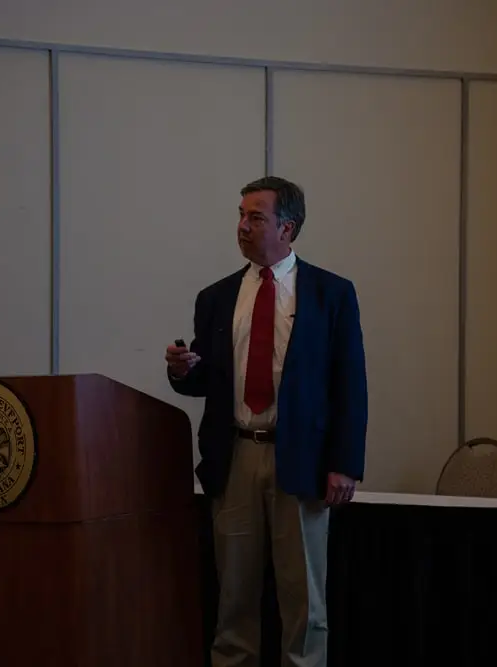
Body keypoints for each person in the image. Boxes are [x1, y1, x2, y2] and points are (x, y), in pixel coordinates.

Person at [165, 176, 368, 667]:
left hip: (301, 462)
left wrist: (345, 464)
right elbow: (208, 381)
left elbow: (350, 384)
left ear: (288, 227)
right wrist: (182, 371)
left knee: (304, 603)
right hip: (234, 456)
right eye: (240, 215)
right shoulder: (215, 297)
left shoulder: (330, 294)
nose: (242, 226)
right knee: (233, 599)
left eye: (255, 217)